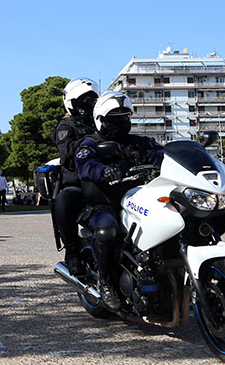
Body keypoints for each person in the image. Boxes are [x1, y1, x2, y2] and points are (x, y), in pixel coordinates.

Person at [75, 92, 164, 312]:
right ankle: (106, 282)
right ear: (100, 120)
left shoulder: (139, 142)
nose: (121, 122)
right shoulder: (91, 144)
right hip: (103, 203)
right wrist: (104, 170)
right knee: (107, 230)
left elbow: (161, 154)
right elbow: (85, 165)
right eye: (114, 118)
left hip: (137, 200)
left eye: (125, 117)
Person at [50, 77, 99, 276]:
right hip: (78, 181)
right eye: (84, 100)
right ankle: (72, 252)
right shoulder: (66, 125)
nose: (88, 104)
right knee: (64, 200)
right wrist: (92, 140)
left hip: (104, 180)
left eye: (91, 100)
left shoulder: (100, 122)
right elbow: (68, 150)